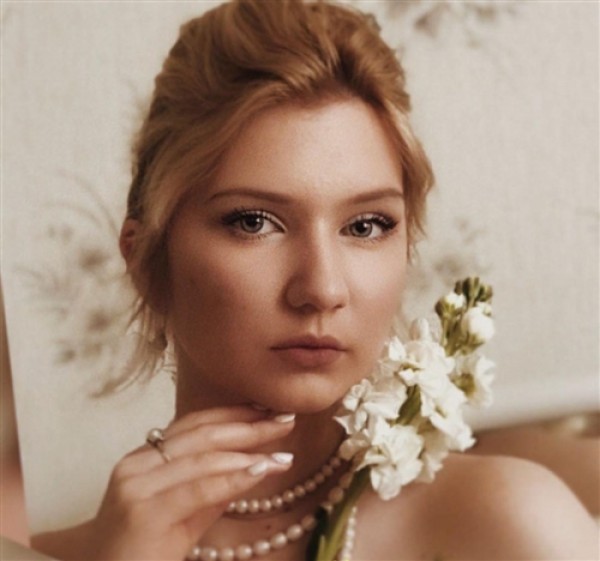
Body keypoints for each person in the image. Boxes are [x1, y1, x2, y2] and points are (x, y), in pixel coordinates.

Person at [31, 1, 598, 560]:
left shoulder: (511, 526)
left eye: (366, 226)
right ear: (147, 261)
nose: (323, 289)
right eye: (254, 222)